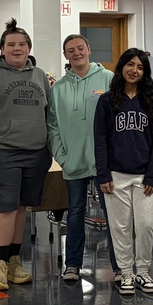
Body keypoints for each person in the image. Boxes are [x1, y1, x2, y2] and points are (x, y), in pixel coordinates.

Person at [0, 18, 52, 291]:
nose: (17, 48)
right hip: (3, 152)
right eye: (11, 44)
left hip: (36, 153)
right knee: (5, 209)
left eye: (22, 44)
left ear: (29, 48)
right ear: (2, 49)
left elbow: (50, 114)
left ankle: (14, 262)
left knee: (21, 209)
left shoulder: (40, 76)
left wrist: (51, 148)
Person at [47, 34, 119, 284]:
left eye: (80, 48)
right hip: (73, 162)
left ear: (89, 49)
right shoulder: (58, 88)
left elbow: (118, 118)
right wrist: (62, 157)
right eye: (70, 50)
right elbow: (52, 126)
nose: (76, 53)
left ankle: (120, 267)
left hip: (104, 163)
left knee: (113, 216)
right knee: (75, 213)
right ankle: (73, 265)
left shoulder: (108, 79)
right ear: (65, 55)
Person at [94, 48, 153, 297]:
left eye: (140, 67)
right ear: (122, 67)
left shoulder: (151, 101)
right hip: (115, 176)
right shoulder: (107, 100)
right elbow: (100, 139)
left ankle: (143, 270)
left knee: (145, 225)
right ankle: (125, 272)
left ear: (145, 72)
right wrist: (103, 174)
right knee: (120, 228)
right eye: (130, 65)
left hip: (144, 177)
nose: (135, 70)